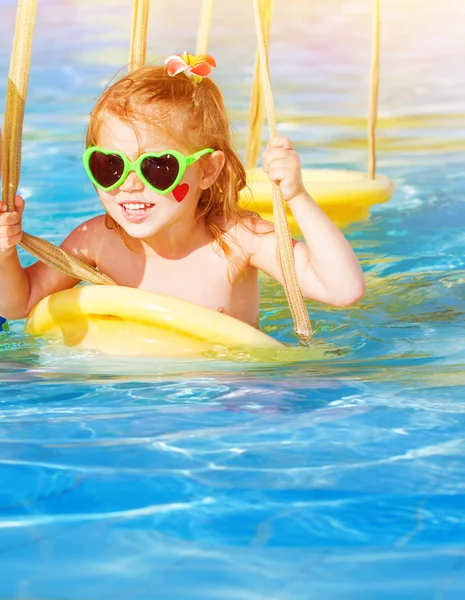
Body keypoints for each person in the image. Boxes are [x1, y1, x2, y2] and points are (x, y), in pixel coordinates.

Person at [0, 52, 365, 328]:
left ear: (207, 170)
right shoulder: (97, 240)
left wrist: (297, 197)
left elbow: (342, 290)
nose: (130, 183)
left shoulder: (238, 241)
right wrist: (4, 253)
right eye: (109, 165)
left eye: (158, 166)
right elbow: (19, 304)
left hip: (230, 391)